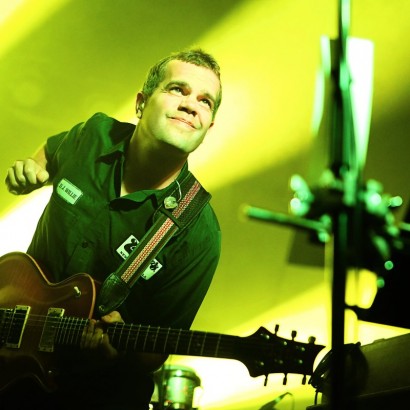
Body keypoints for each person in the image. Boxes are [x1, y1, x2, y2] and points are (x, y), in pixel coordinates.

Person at [3, 48, 222, 410]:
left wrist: (115, 352)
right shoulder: (94, 135)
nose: (190, 104)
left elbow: (155, 353)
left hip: (97, 397)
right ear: (141, 103)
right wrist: (31, 168)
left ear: (208, 127)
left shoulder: (198, 231)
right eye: (177, 89)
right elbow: (50, 152)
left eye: (205, 101)